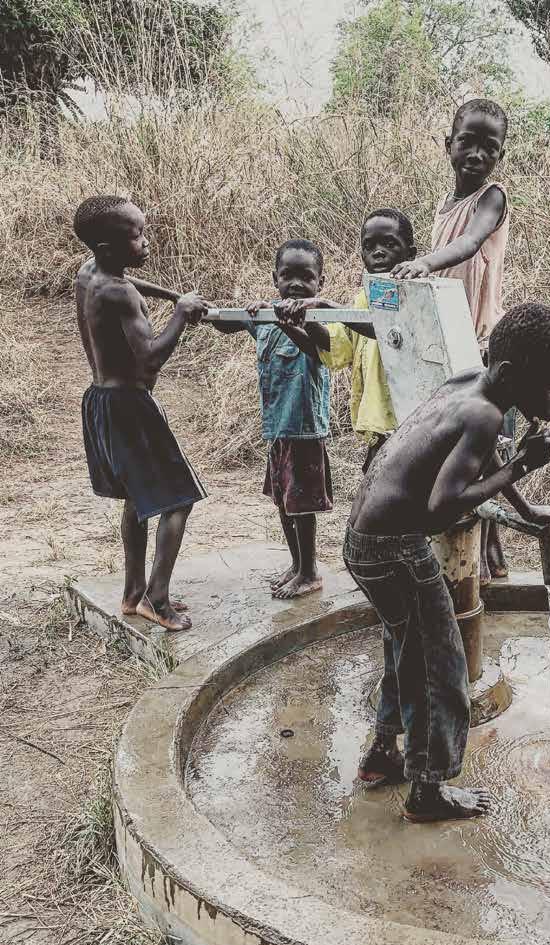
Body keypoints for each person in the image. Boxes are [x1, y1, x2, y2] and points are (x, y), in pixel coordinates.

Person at [343, 303, 550, 823]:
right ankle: (428, 792)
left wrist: (523, 506)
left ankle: (382, 755)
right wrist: (523, 463)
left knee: (404, 650)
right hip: (397, 548)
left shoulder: (472, 384)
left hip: (364, 541)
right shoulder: (486, 413)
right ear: (512, 375)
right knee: (441, 668)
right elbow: (442, 507)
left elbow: (481, 457)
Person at [74, 195, 209, 633]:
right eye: (138, 236)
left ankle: (133, 593)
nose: (146, 241)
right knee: (178, 500)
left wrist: (173, 295)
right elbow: (150, 359)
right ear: (110, 247)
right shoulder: (120, 292)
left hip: (100, 401)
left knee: (136, 496)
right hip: (132, 407)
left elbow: (132, 286)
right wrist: (182, 315)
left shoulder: (91, 273)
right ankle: (158, 599)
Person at [392, 98, 512, 584]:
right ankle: (482, 551)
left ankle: (486, 552)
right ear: (448, 145)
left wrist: (425, 263)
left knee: (483, 448)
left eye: (490, 146)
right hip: (443, 343)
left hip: (479, 343)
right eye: (468, 141)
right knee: (462, 451)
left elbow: (469, 245)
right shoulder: (446, 204)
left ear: (499, 157)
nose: (477, 154)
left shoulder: (492, 199)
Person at [212, 239, 333, 599]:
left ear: (320, 282)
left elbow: (319, 348)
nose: (295, 284)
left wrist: (290, 322)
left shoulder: (316, 319)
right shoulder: (266, 319)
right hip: (277, 428)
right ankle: (297, 565)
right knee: (283, 502)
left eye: (305, 277)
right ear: (275, 278)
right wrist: (239, 311)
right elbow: (228, 325)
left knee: (301, 505)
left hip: (304, 429)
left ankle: (310, 571)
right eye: (287, 275)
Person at [276, 209, 417, 472]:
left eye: (389, 244)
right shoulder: (365, 296)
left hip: (410, 417)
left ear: (411, 253)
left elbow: (390, 334)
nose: (378, 252)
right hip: (382, 423)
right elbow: (336, 346)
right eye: (369, 246)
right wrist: (299, 320)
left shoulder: (416, 294)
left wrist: (327, 306)